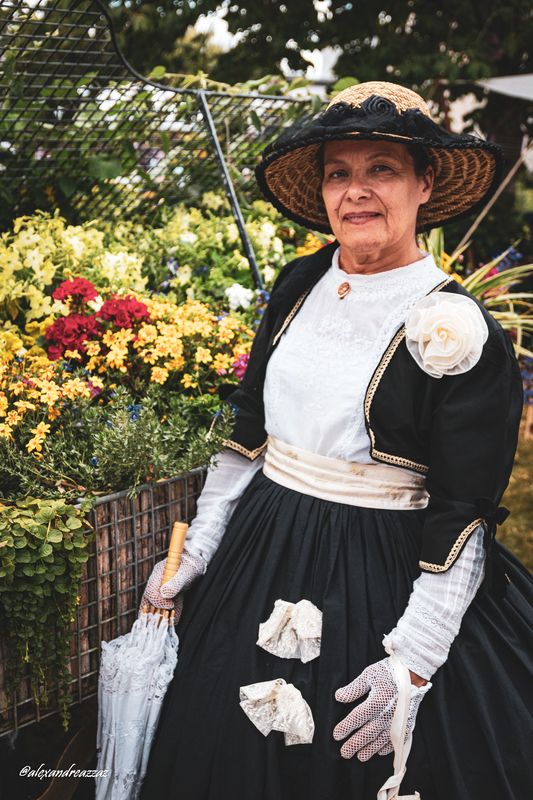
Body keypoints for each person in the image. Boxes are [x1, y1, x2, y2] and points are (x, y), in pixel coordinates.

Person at [138, 82, 533, 800]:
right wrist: (198, 549)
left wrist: (409, 665)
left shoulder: (459, 330)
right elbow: (247, 432)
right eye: (337, 173)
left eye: (381, 168)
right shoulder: (299, 282)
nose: (357, 191)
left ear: (424, 182)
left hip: (380, 569)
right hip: (261, 545)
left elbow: (463, 510)